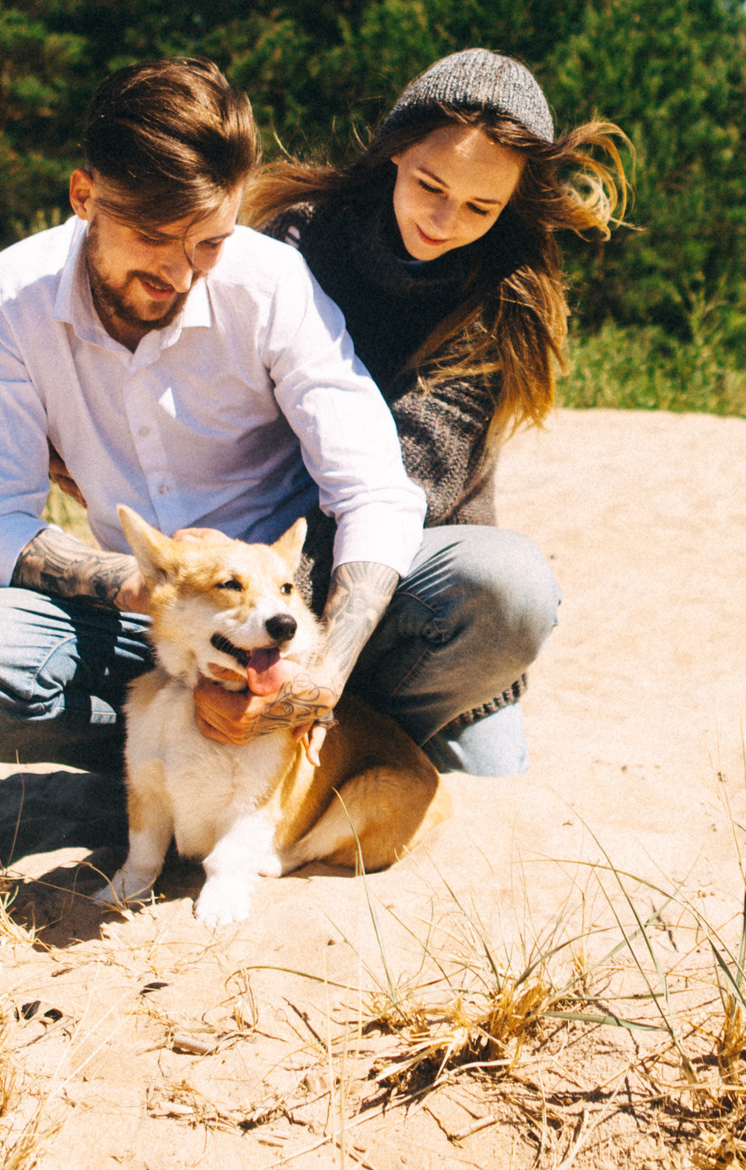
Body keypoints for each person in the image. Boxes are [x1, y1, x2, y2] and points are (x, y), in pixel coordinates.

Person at [0, 58, 559, 780]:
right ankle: (165, 764)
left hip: (307, 607)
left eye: (210, 241)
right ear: (84, 196)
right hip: (150, 625)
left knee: (509, 586)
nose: (181, 273)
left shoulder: (271, 280)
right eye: (154, 235)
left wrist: (312, 674)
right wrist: (149, 582)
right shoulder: (12, 295)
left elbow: (378, 490)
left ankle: (319, 747)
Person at [244, 50, 627, 753]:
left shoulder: (502, 302)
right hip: (264, 554)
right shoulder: (300, 236)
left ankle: (375, 727)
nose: (446, 220)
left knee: (514, 589)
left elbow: (400, 486)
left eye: (482, 207)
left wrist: (297, 630)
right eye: (430, 185)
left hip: (417, 593)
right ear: (395, 148)